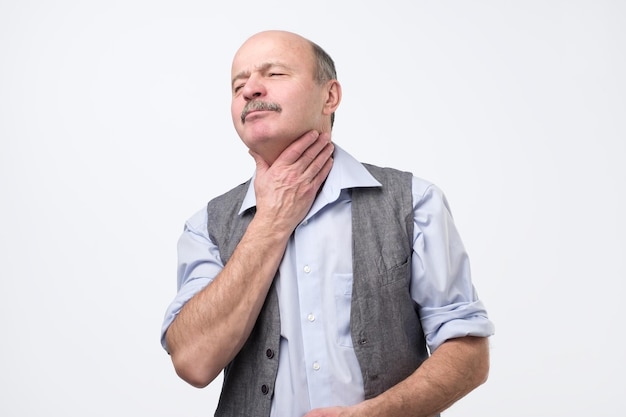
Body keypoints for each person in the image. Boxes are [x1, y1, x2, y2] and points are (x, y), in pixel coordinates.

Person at [161, 29, 495, 417]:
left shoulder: (415, 202)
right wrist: (271, 221)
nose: (250, 89)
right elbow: (193, 363)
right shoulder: (207, 225)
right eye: (238, 84)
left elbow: (469, 354)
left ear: (330, 96)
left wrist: (377, 414)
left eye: (274, 74)